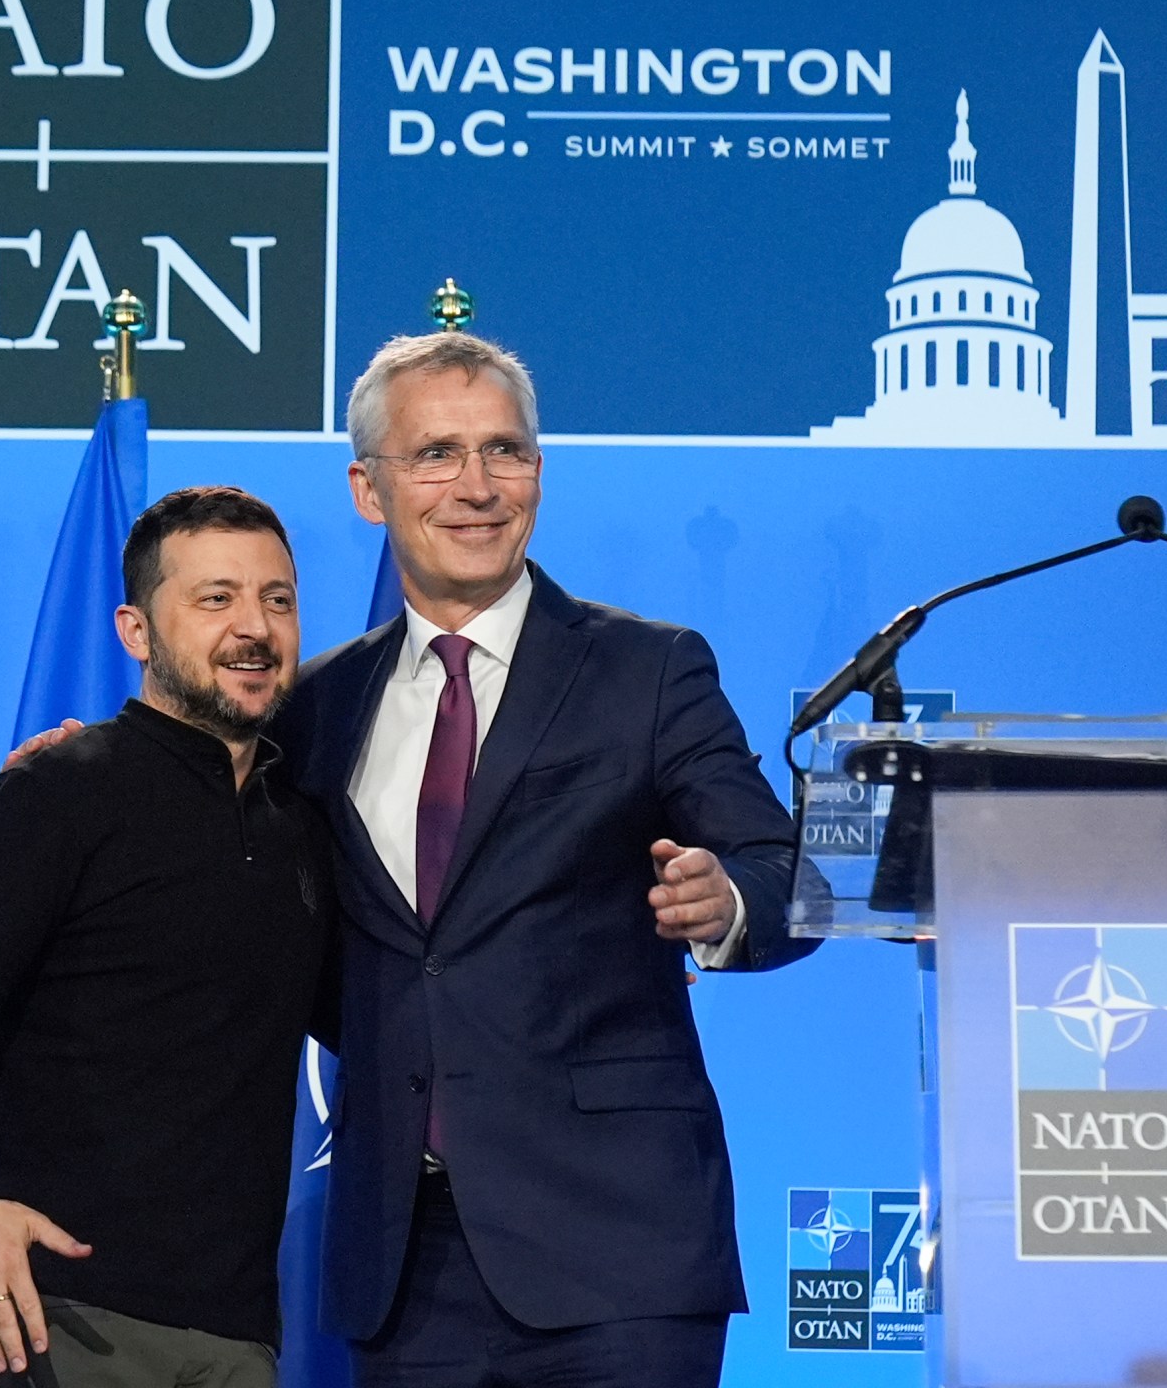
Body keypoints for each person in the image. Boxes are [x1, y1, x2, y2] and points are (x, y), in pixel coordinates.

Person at [289, 332, 818, 1386]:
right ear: (368, 489)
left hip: (616, 1249)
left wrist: (724, 907)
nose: (478, 487)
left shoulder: (647, 668)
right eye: (437, 454)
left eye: (507, 452)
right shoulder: (318, 705)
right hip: (402, 1262)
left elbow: (786, 869)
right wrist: (88, 771)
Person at [0, 486, 334, 1388]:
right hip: (44, 1316)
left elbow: (384, 1004)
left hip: (234, 1336)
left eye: (277, 599)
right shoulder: (58, 791)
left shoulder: (306, 827)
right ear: (135, 631)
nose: (254, 627)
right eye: (215, 599)